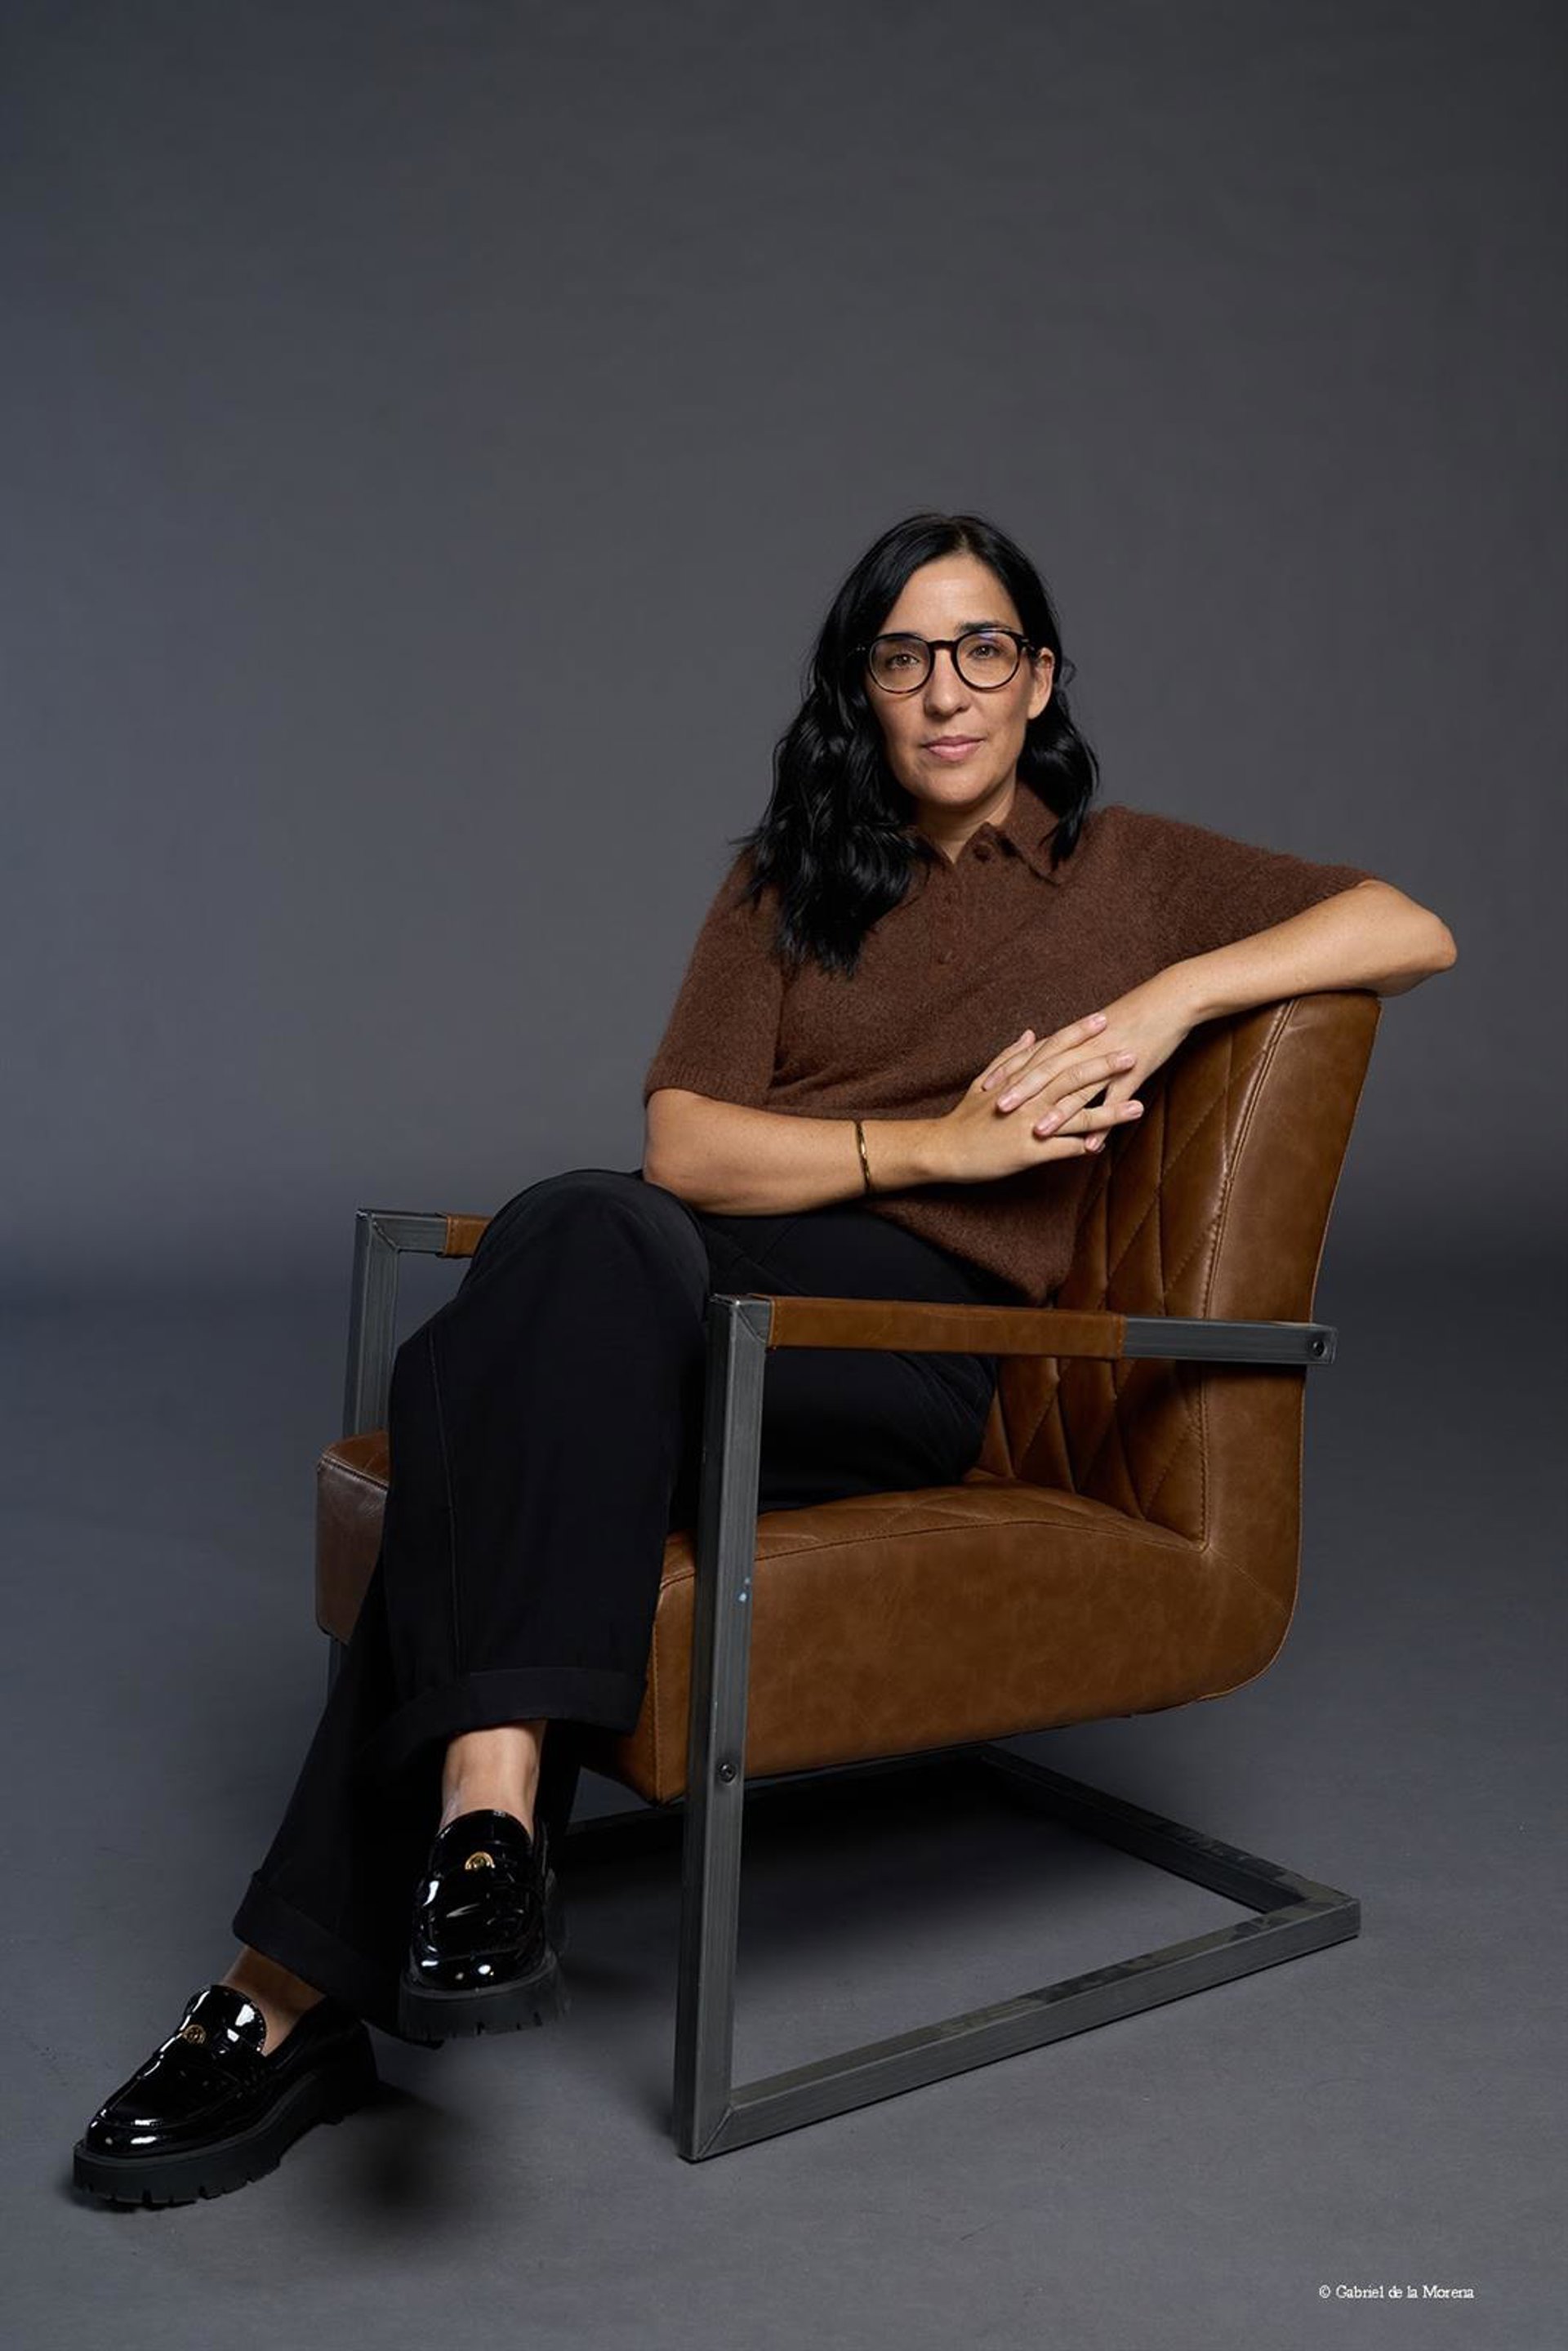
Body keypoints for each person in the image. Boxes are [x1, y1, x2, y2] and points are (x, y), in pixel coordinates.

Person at [71, 510, 1455, 2206]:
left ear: (1041, 680)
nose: (945, 690)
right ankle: (488, 1824)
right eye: (904, 655)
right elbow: (686, 1148)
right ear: (861, 686)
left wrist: (1173, 998)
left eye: (984, 650)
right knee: (585, 1220)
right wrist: (936, 1146)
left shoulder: (1133, 872)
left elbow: (1408, 926)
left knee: (497, 1370)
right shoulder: (789, 878)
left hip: (898, 1343)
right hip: (688, 1285)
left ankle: (281, 1993)